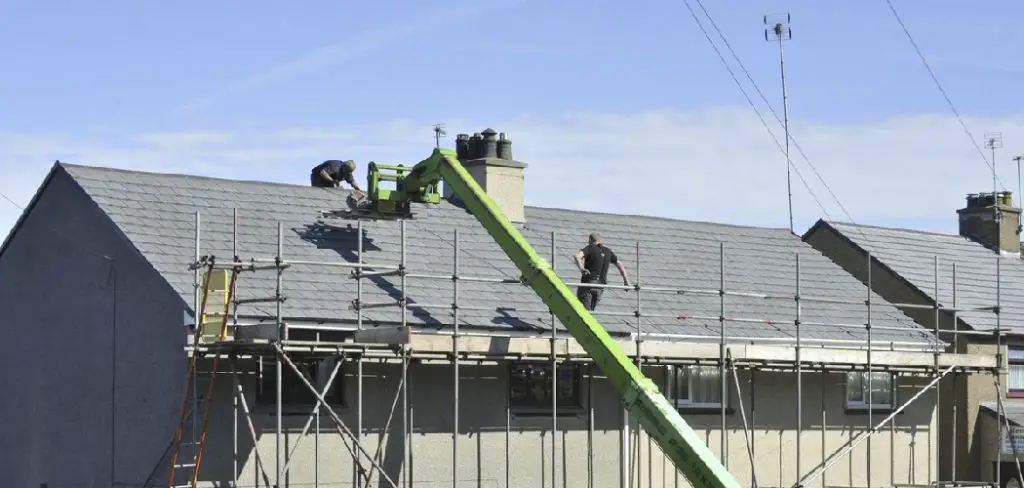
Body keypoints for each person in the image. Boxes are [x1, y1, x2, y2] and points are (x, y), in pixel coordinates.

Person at [573, 232, 630, 311]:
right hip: (600, 287)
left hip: (588, 284)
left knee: (585, 314)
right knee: (590, 313)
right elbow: (620, 265)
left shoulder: (590, 247)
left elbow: (577, 256)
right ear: (600, 240)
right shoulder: (608, 251)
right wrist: (626, 281)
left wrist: (582, 269)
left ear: (590, 240)